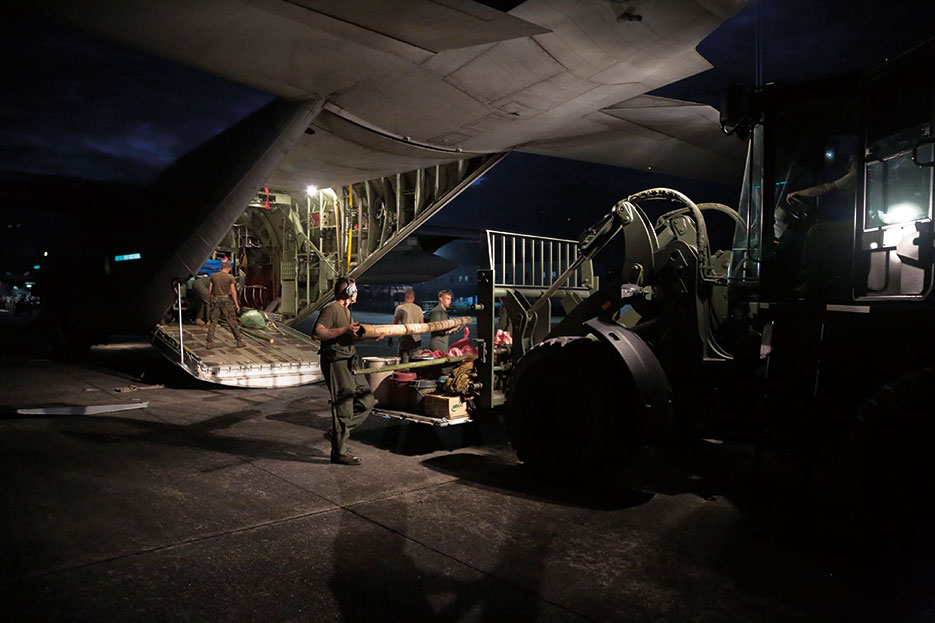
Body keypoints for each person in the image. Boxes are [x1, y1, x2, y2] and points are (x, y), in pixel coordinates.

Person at [314, 277, 384, 466]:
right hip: (336, 361)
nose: (358, 293)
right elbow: (318, 332)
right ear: (348, 293)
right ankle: (339, 452)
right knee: (344, 405)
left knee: (367, 400)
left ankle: (339, 432)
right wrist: (344, 328)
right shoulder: (331, 309)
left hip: (350, 361)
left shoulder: (346, 311)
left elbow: (348, 338)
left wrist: (371, 337)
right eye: (355, 290)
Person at [206, 260, 244, 348]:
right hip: (226, 300)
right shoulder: (230, 277)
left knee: (213, 321)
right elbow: (233, 291)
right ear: (229, 268)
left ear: (221, 268)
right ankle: (239, 341)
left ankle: (209, 342)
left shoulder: (214, 276)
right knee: (232, 321)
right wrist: (236, 304)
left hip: (215, 299)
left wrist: (210, 300)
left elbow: (210, 290)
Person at [392, 289, 423, 362]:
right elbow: (422, 324)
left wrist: (391, 336)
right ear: (413, 298)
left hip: (405, 337)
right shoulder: (418, 308)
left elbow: (395, 324)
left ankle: (404, 371)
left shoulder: (400, 308)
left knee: (404, 359)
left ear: (405, 298)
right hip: (416, 338)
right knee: (416, 358)